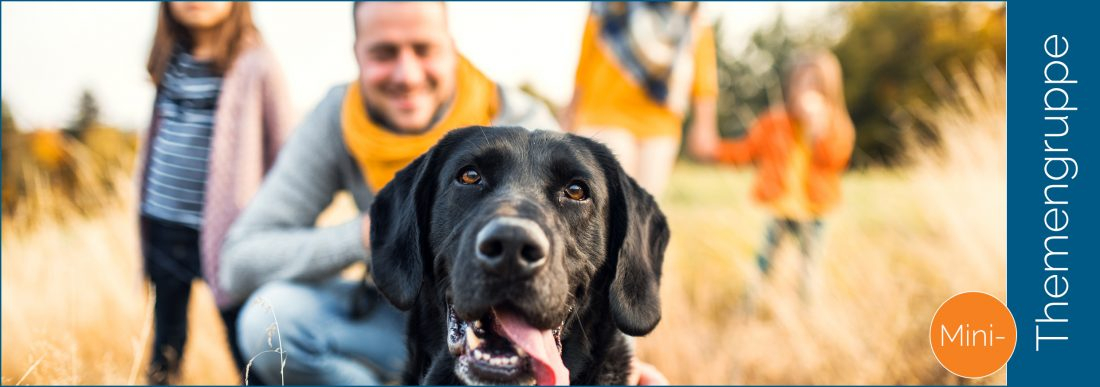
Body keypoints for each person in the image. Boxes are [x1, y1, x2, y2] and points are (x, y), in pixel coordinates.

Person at [217, 2, 560, 385]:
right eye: (384, 53)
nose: (407, 75)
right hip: (395, 320)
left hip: (500, 325)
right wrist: (368, 235)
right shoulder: (338, 119)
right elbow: (238, 263)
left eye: (424, 49)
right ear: (357, 54)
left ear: (451, 46)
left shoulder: (519, 122)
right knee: (271, 319)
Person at [136, 1, 291, 384]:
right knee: (166, 343)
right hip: (164, 222)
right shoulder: (169, 56)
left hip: (229, 233)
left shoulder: (256, 62)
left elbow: (287, 150)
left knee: (249, 346)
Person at [691, 49, 855, 299]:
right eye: (802, 83)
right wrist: (714, 150)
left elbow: (836, 159)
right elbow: (746, 151)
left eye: (816, 84)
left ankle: (807, 312)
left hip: (815, 211)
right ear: (792, 86)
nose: (807, 90)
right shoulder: (774, 123)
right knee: (764, 262)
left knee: (809, 268)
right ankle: (749, 305)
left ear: (829, 89)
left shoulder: (836, 124)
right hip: (780, 207)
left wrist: (818, 129)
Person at [566, 1, 719, 197]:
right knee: (611, 200)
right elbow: (585, 62)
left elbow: (704, 74)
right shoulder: (607, 6)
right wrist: (571, 110)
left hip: (661, 124)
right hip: (605, 115)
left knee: (645, 207)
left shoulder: (692, 14)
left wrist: (705, 125)